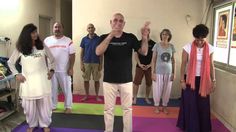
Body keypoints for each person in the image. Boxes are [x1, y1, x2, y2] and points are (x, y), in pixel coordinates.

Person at [96, 13, 149, 132]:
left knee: (127, 109)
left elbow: (144, 52)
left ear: (124, 24)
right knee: (109, 109)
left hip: (126, 80)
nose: (118, 23)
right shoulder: (104, 37)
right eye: (115, 20)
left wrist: (144, 37)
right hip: (109, 80)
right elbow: (98, 52)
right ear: (111, 22)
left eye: (121, 21)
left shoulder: (130, 37)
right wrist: (110, 36)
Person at [8, 23, 55, 132]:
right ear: (26, 34)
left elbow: (52, 59)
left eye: (36, 32)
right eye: (33, 32)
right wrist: (17, 74)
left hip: (43, 81)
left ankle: (45, 124)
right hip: (28, 82)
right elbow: (10, 63)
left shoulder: (42, 46)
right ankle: (32, 124)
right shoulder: (20, 48)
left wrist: (52, 71)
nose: (35, 34)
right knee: (29, 107)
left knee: (44, 105)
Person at [176, 24, 216, 132]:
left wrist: (214, 80)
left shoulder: (210, 48)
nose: (199, 42)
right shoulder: (187, 47)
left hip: (204, 81)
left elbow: (211, 65)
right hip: (190, 80)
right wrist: (182, 80)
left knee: (203, 105)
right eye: (197, 39)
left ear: (205, 37)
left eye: (202, 40)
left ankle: (203, 128)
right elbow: (183, 64)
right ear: (195, 37)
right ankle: (191, 127)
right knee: (191, 104)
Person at [44, 22, 75, 114]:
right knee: (52, 89)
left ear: (62, 29)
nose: (57, 29)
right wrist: (46, 69)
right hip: (51, 70)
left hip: (64, 70)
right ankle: (53, 105)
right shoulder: (47, 40)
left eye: (59, 27)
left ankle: (68, 106)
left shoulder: (68, 40)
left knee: (67, 88)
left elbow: (72, 55)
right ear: (53, 29)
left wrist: (71, 68)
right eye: (55, 27)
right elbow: (44, 56)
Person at [151, 29, 176, 114]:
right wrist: (152, 73)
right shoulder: (156, 45)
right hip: (157, 72)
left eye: (167, 34)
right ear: (161, 35)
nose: (165, 36)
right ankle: (157, 106)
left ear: (169, 36)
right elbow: (153, 60)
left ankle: (165, 106)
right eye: (163, 34)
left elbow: (173, 61)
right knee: (157, 90)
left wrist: (174, 73)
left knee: (167, 90)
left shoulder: (171, 46)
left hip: (168, 72)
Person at [80, 23, 102, 102]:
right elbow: (81, 53)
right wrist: (81, 64)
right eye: (89, 28)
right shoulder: (84, 39)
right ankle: (86, 95)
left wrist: (101, 64)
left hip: (96, 62)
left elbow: (101, 53)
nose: (90, 29)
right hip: (86, 63)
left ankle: (97, 96)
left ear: (94, 28)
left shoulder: (99, 39)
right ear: (87, 30)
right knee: (86, 80)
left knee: (96, 80)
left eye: (92, 27)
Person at [133, 29, 156, 105]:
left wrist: (150, 65)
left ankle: (146, 97)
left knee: (149, 83)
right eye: (143, 32)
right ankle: (135, 98)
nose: (145, 33)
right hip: (140, 66)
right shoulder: (138, 43)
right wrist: (139, 64)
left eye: (146, 31)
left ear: (149, 32)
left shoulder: (153, 44)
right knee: (136, 83)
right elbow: (136, 54)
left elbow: (154, 56)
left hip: (150, 67)